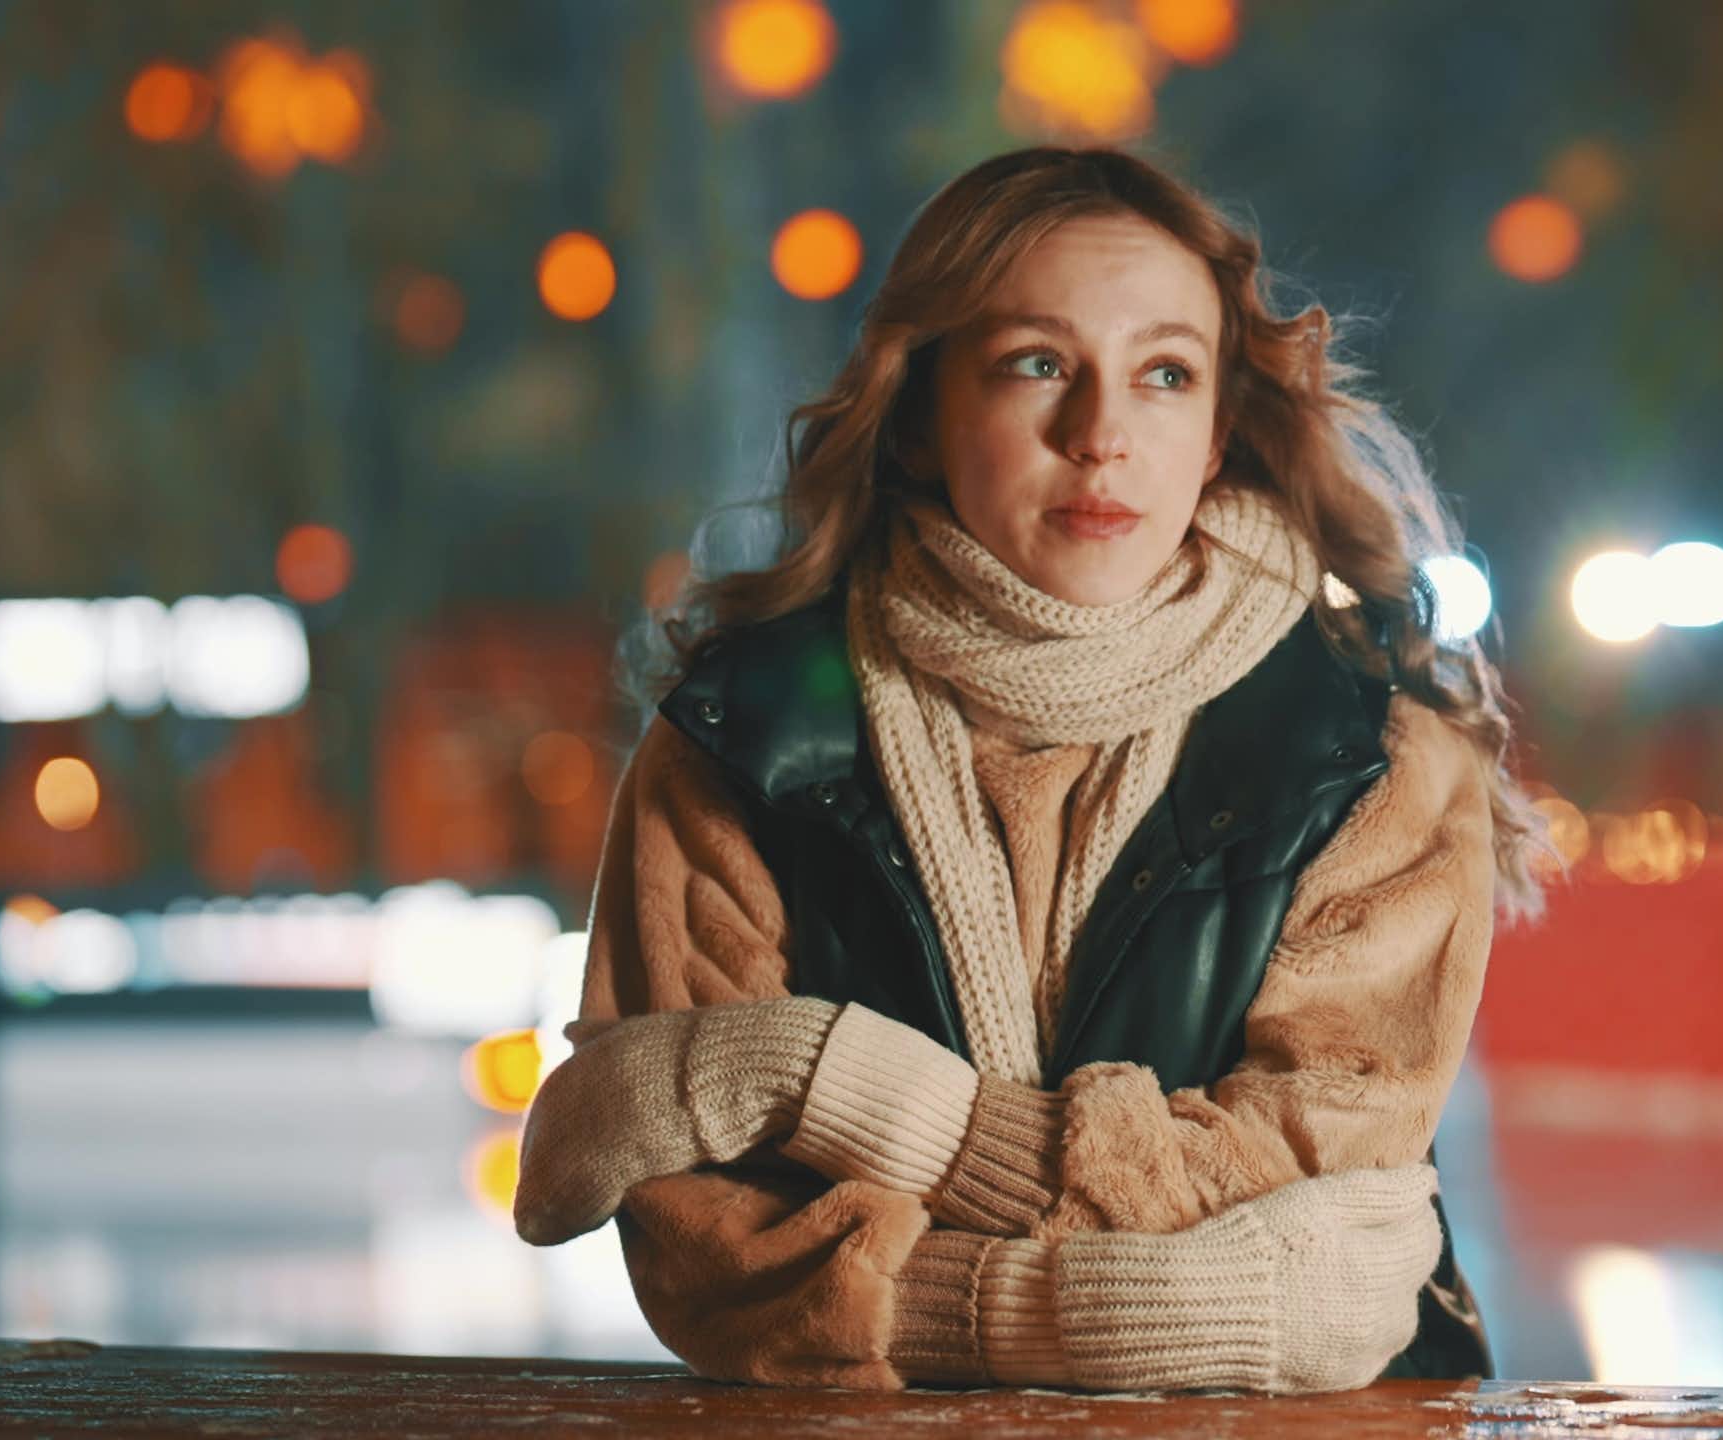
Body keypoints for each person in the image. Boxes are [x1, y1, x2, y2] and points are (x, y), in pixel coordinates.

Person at [509, 145, 1553, 1393]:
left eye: (1163, 374)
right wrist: (1116, 1309)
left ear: (1219, 431)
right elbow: (705, 1251)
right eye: (1037, 364)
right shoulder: (743, 743)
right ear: (915, 413)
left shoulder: (1367, 759)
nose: (1101, 434)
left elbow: (1321, 1202)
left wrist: (826, 1082)